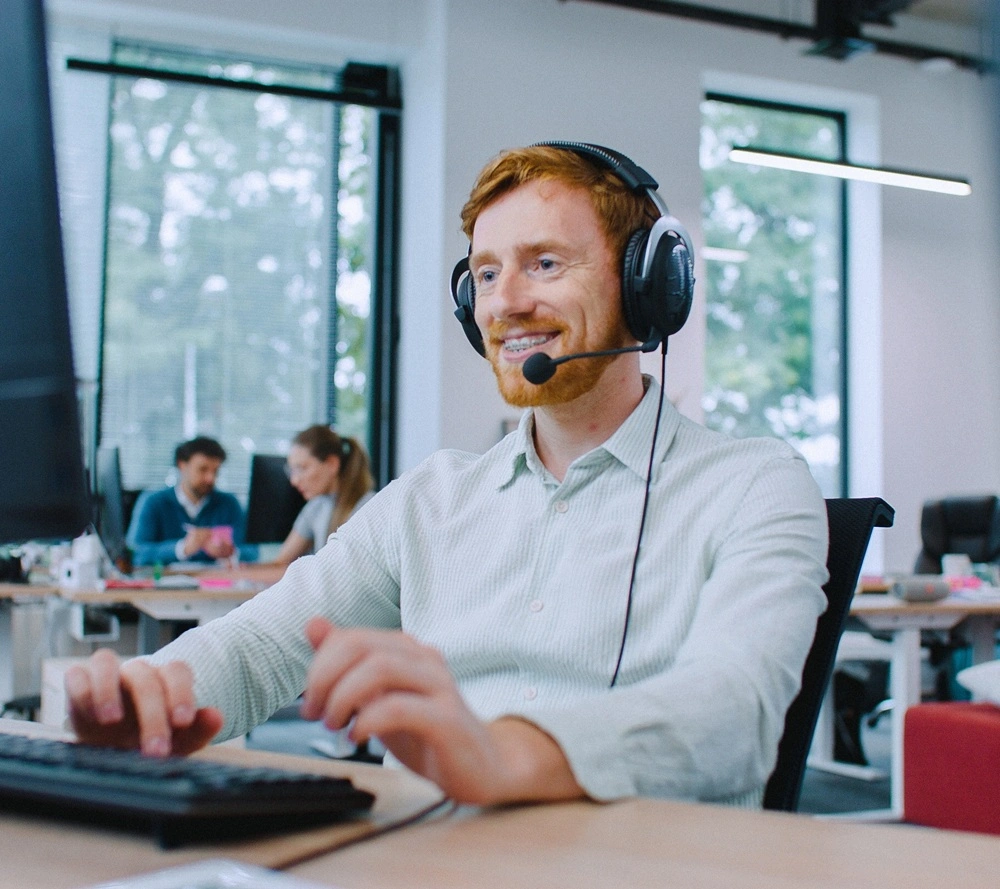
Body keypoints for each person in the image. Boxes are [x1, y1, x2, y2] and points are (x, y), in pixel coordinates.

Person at [66, 143, 828, 809]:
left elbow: (734, 709)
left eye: (545, 263)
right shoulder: (429, 500)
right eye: (486, 274)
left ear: (648, 285)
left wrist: (503, 753)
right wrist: (154, 692)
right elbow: (263, 643)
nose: (506, 303)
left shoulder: (753, 485)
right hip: (426, 854)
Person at [126, 436, 254, 567]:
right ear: (182, 465)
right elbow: (135, 553)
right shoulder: (153, 502)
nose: (210, 478)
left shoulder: (229, 504)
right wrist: (182, 548)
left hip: (216, 579)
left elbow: (252, 551)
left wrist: (231, 552)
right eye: (203, 469)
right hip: (167, 579)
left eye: (215, 471)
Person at [273, 425, 375, 566]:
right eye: (292, 471)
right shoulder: (317, 506)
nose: (294, 481)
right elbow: (281, 563)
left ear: (332, 464)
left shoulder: (367, 507)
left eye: (302, 468)